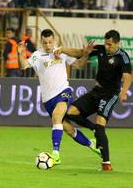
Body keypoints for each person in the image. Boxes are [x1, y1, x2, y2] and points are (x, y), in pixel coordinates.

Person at [17, 29, 101, 165]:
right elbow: (23, 65)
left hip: (63, 92)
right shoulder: (37, 55)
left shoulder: (61, 52)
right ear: (41, 42)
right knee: (68, 129)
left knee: (57, 116)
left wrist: (86, 55)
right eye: (45, 43)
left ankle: (55, 154)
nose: (48, 45)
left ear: (54, 40)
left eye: (50, 42)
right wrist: (19, 53)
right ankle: (92, 145)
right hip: (48, 99)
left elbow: (79, 65)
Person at [57, 30, 133, 171]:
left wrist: (124, 92)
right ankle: (94, 129)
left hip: (110, 94)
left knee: (101, 123)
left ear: (117, 43)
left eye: (110, 44)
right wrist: (61, 49)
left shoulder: (123, 57)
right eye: (105, 43)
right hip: (96, 91)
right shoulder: (99, 49)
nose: (107, 46)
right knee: (71, 113)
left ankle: (106, 163)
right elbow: (79, 52)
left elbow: (128, 76)